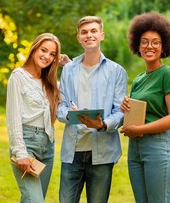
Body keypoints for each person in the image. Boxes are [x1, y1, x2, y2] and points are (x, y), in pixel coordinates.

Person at [57, 16, 128, 203]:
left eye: (93, 31)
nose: (89, 35)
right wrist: (70, 115)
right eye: (84, 32)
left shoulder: (116, 71)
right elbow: (60, 107)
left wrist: (103, 124)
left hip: (102, 152)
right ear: (78, 37)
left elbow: (120, 111)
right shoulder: (68, 69)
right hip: (72, 151)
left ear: (102, 35)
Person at [120, 11, 170, 203]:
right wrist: (127, 107)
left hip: (158, 146)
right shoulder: (139, 79)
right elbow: (143, 111)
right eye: (144, 41)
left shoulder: (167, 74)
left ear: (164, 46)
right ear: (137, 46)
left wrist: (139, 129)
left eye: (155, 42)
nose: (149, 46)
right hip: (136, 147)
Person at [6, 33, 61, 203]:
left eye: (53, 54)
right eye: (44, 50)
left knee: (32, 199)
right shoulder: (18, 76)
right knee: (35, 200)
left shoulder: (51, 82)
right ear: (34, 49)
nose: (47, 57)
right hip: (26, 144)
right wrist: (20, 152)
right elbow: (13, 118)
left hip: (47, 146)